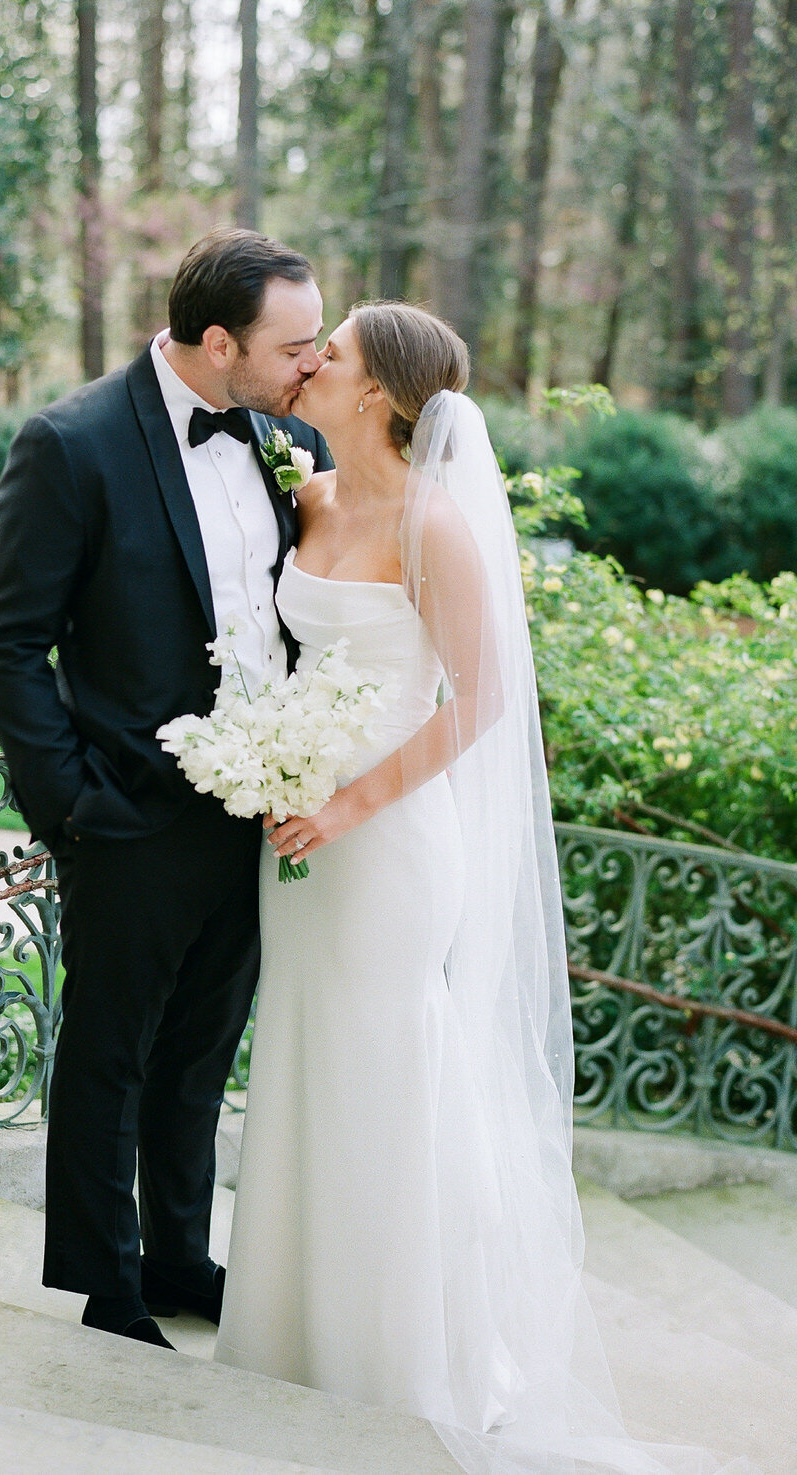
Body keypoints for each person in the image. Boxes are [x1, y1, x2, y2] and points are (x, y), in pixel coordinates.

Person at [214, 303, 756, 1475]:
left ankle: (401, 1352)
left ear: (378, 394)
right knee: (305, 1053)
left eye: (335, 355)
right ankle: (290, 1328)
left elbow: (479, 699)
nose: (312, 364)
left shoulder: (437, 525)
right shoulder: (304, 497)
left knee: (386, 1059)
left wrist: (351, 802)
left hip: (392, 841)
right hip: (295, 828)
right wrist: (265, 758)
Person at [0, 228, 330, 1348]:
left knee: (200, 1054)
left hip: (254, 811)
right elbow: (9, 643)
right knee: (111, 1053)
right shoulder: (71, 443)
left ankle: (179, 1251)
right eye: (295, 345)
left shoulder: (291, 438)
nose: (313, 364)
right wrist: (72, 802)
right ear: (220, 342)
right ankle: (104, 1276)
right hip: (127, 812)